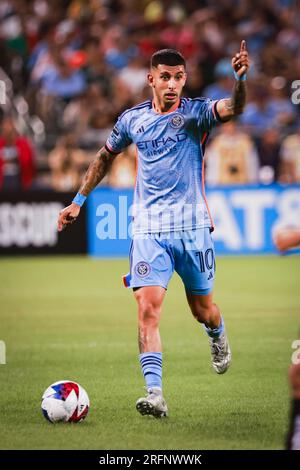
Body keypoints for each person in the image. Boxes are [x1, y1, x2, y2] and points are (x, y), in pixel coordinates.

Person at [58, 41, 250, 418]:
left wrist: (240, 81)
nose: (173, 84)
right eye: (165, 77)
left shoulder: (197, 114)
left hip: (192, 229)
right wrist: (78, 200)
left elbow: (235, 107)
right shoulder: (133, 119)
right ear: (151, 79)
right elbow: (105, 156)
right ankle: (155, 393)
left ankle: (217, 333)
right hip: (149, 230)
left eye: (179, 77)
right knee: (148, 307)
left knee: (203, 309)